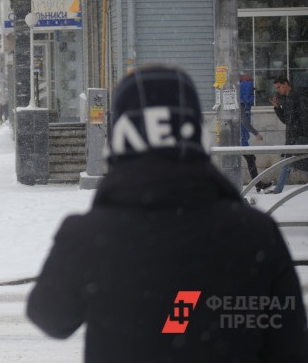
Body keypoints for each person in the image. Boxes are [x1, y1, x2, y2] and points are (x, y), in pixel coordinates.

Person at [27, 66, 308, 362]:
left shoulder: (89, 236)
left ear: (121, 140)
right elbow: (290, 346)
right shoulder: (255, 232)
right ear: (194, 134)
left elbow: (50, 317)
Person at [267, 74, 308, 194]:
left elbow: (304, 117)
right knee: (288, 162)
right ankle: (278, 190)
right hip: (292, 137)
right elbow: (286, 120)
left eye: (279, 87)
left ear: (286, 84)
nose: (278, 90)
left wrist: (305, 135)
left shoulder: (298, 97)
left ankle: (278, 190)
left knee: (293, 162)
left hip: (299, 137)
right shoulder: (287, 99)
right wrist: (277, 107)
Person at [239, 75, 271, 192]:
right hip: (239, 140)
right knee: (250, 159)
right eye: (250, 92)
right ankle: (258, 184)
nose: (252, 95)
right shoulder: (241, 105)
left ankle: (258, 184)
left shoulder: (245, 103)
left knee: (250, 159)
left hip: (242, 139)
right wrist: (255, 133)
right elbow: (244, 121)